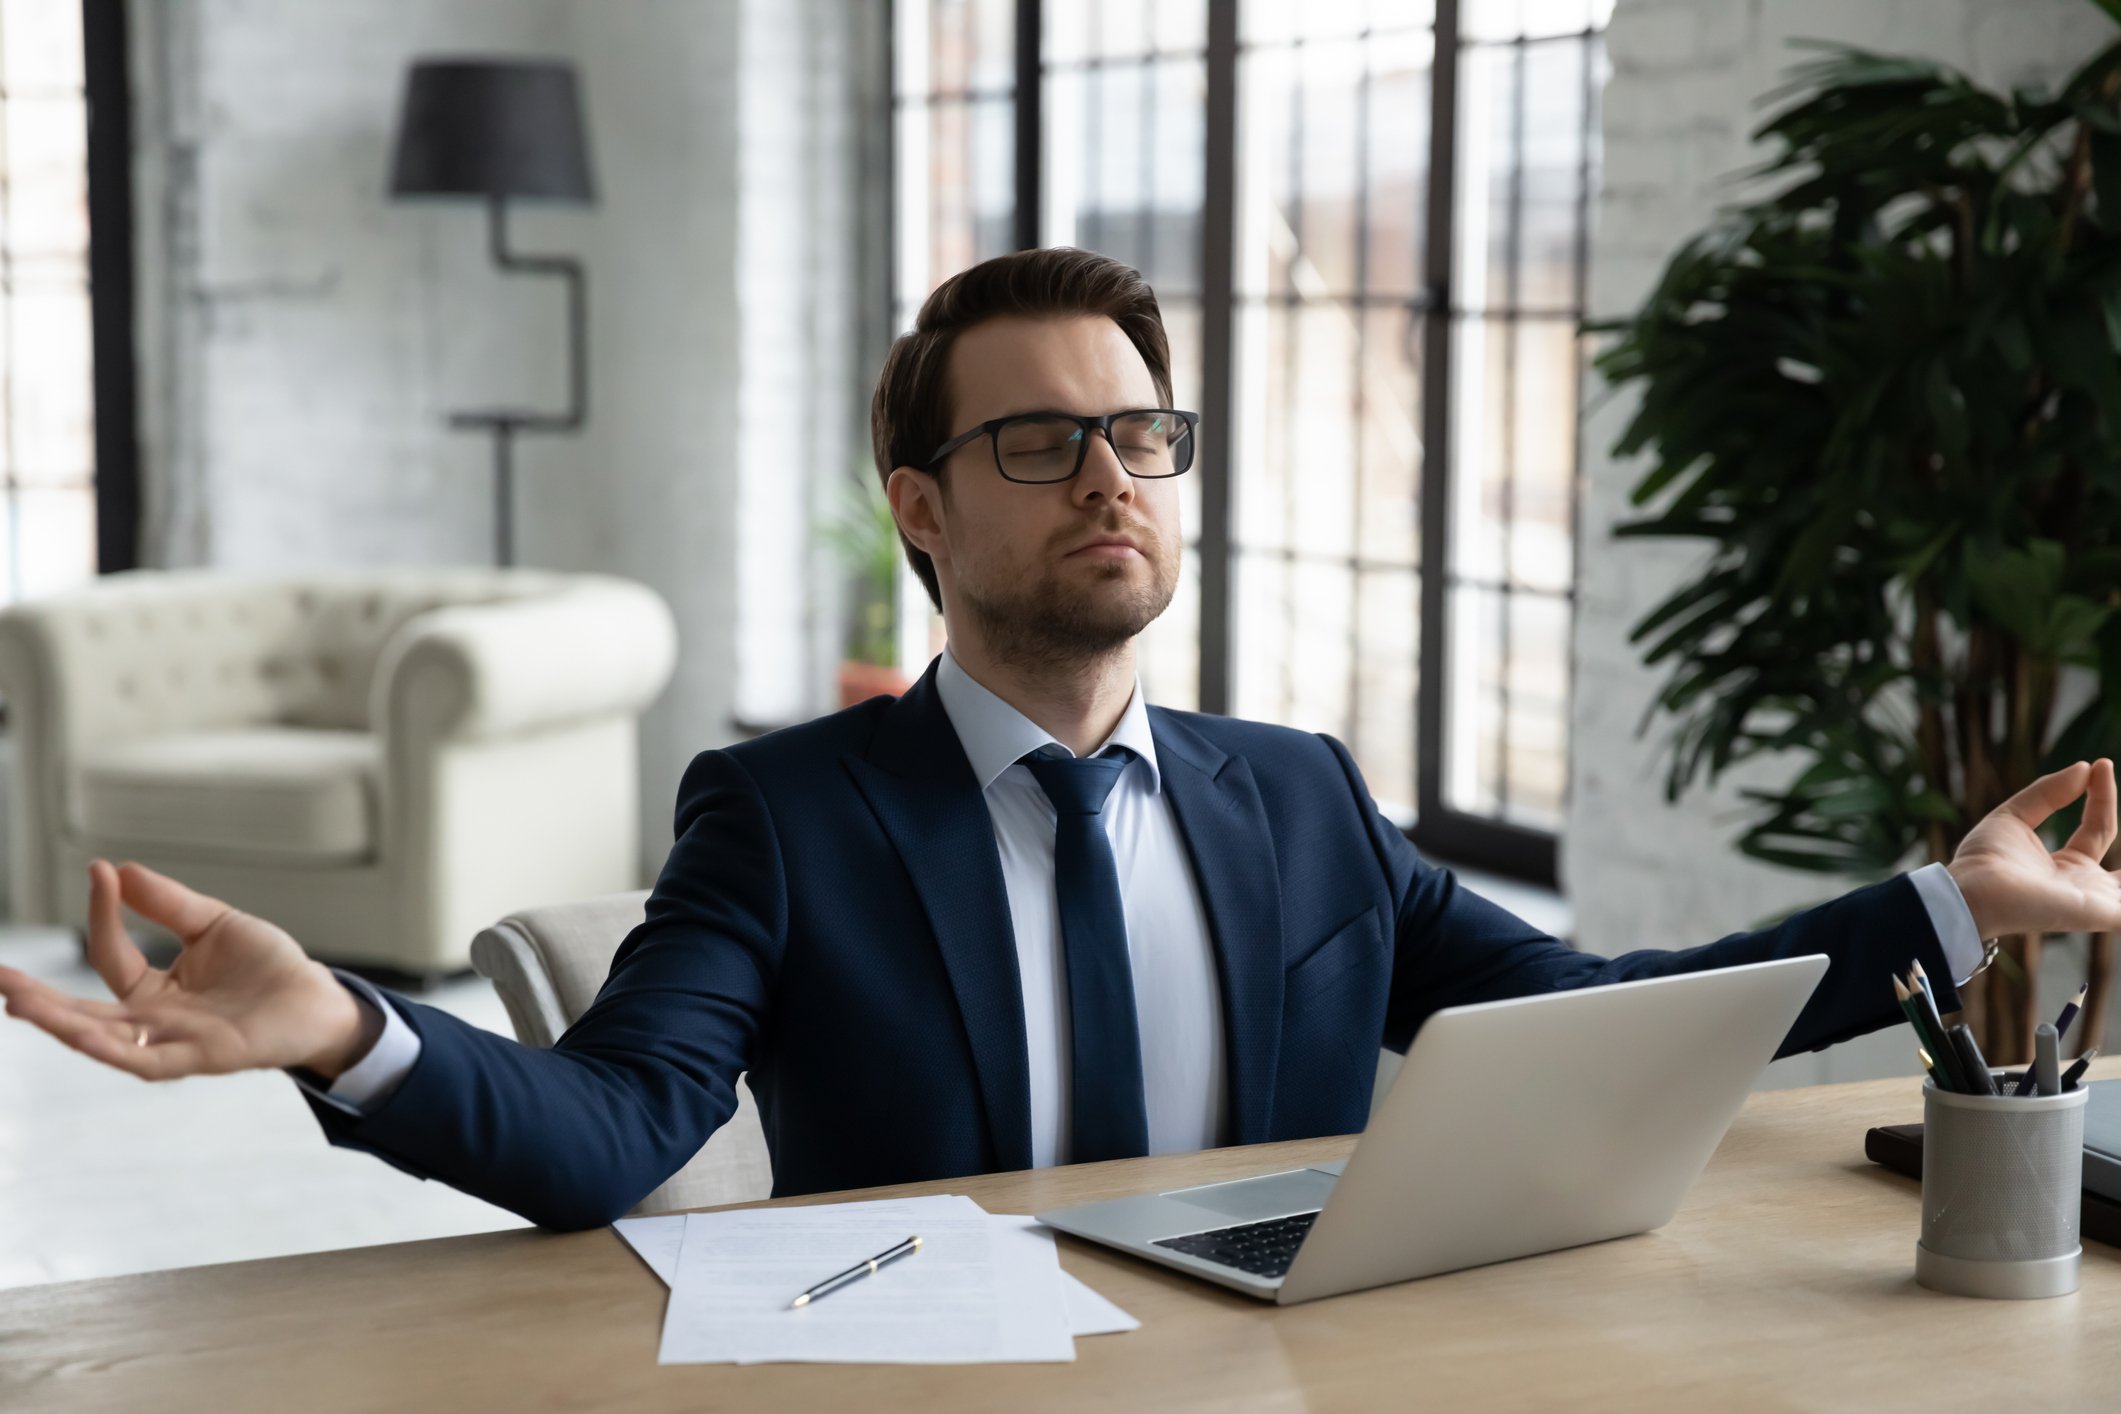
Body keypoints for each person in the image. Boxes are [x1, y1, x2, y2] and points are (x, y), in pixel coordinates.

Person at [4, 248, 2119, 1230]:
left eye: (1141, 434)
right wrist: (345, 1030)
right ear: (922, 508)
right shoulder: (781, 811)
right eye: (1037, 438)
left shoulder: (1293, 793)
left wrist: (1943, 901)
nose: (1108, 474)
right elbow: (613, 1129)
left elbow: (1610, 1018)